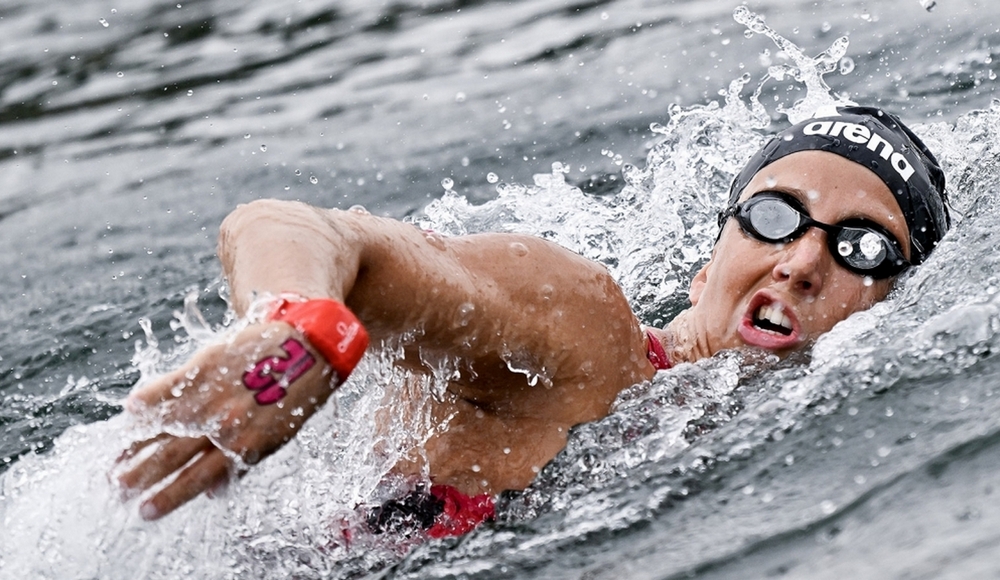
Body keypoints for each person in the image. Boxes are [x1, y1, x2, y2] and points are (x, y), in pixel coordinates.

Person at [115, 105, 949, 536]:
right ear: (706, 266)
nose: (802, 262)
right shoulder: (584, 333)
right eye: (774, 216)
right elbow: (301, 228)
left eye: (864, 248)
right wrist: (294, 330)